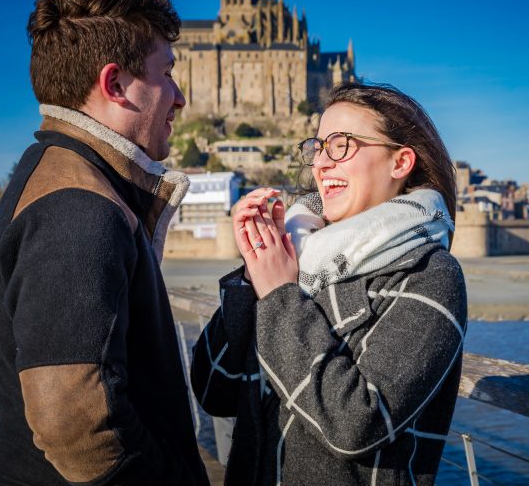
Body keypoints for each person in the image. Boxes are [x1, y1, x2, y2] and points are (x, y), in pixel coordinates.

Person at [0, 0, 208, 484]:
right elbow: (75, 426)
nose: (180, 97)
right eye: (166, 74)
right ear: (114, 85)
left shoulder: (57, 173)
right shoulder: (79, 208)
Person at [192, 82, 467, 485]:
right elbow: (214, 390)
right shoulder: (301, 252)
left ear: (400, 162)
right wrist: (255, 271)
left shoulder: (431, 273)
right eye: (318, 147)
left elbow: (358, 426)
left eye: (341, 145)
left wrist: (279, 296)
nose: (321, 163)